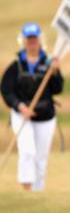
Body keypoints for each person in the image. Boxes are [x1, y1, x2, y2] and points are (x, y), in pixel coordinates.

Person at [1, 23, 63, 191]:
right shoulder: (16, 65)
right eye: (29, 39)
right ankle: (27, 190)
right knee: (27, 151)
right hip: (22, 115)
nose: (32, 42)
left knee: (41, 158)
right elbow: (6, 91)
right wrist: (20, 106)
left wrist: (55, 72)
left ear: (40, 39)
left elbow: (58, 89)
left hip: (46, 117)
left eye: (34, 38)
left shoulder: (49, 63)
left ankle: (38, 191)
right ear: (23, 40)